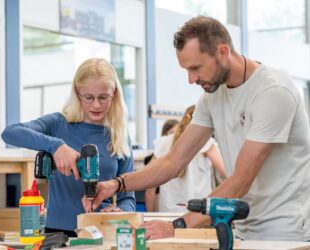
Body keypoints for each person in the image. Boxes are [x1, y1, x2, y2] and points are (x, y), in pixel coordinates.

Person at [84, 16, 310, 241]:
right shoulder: (212, 98)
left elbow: (241, 179)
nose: (191, 79)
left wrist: (177, 225)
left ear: (222, 52)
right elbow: (173, 162)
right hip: (244, 229)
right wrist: (116, 184)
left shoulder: (273, 92)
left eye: (195, 68)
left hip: (287, 232)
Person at [2, 58, 136, 237]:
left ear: (115, 94)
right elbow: (10, 133)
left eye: (103, 97)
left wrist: (120, 212)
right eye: (89, 97)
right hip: (56, 233)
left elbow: (127, 196)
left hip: (100, 233)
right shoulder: (58, 124)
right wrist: (56, 145)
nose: (96, 105)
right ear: (77, 93)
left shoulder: (119, 136)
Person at [146, 105, 227, 212]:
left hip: (167, 212)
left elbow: (149, 188)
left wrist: (150, 217)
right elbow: (227, 174)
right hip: (197, 214)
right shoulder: (206, 142)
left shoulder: (163, 143)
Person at [145, 119, 179, 212]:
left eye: (177, 133)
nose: (174, 137)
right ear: (164, 136)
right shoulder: (157, 158)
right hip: (165, 206)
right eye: (172, 133)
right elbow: (150, 191)